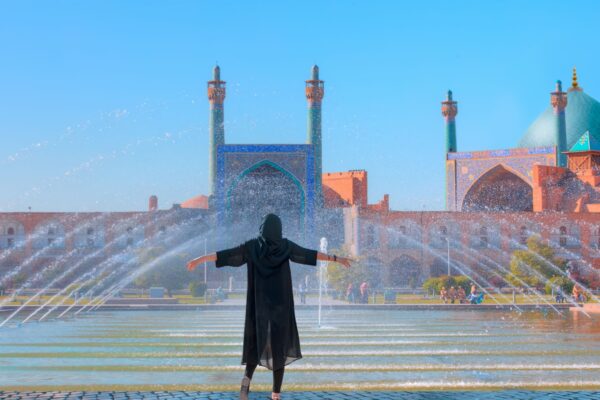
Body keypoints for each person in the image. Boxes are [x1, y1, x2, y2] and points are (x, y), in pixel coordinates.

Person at [186, 214, 352, 400]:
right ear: (278, 229)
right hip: (280, 305)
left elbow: (225, 254)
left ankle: (246, 380)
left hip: (259, 305)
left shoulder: (252, 247)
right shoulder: (286, 246)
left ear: (262, 228)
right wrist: (337, 258)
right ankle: (275, 393)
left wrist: (199, 259)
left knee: (256, 343)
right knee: (279, 346)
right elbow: (310, 254)